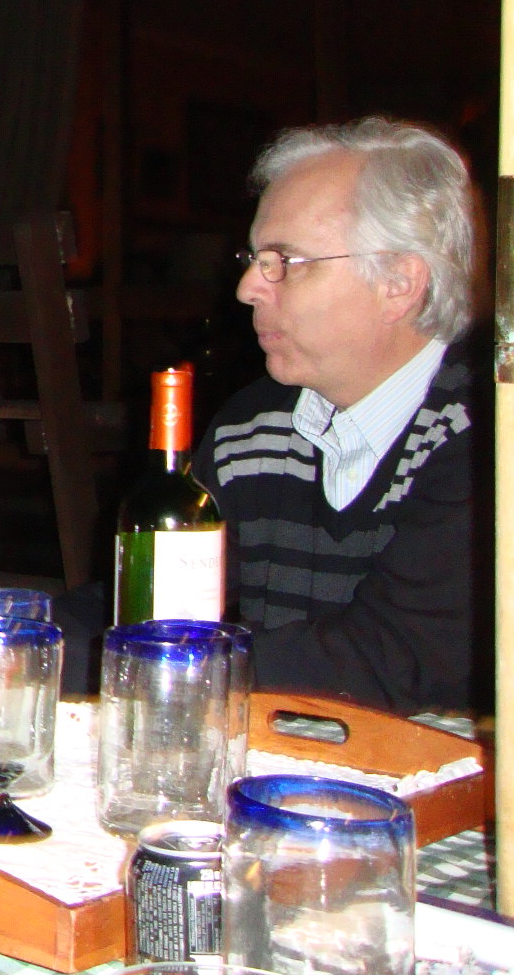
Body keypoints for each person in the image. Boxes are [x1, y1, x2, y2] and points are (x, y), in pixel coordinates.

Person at [197, 118, 480, 713]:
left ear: (399, 283)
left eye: (286, 260)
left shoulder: (484, 441)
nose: (247, 287)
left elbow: (395, 658)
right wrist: (18, 630)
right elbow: (162, 596)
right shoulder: (252, 428)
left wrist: (166, 662)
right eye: (254, 257)